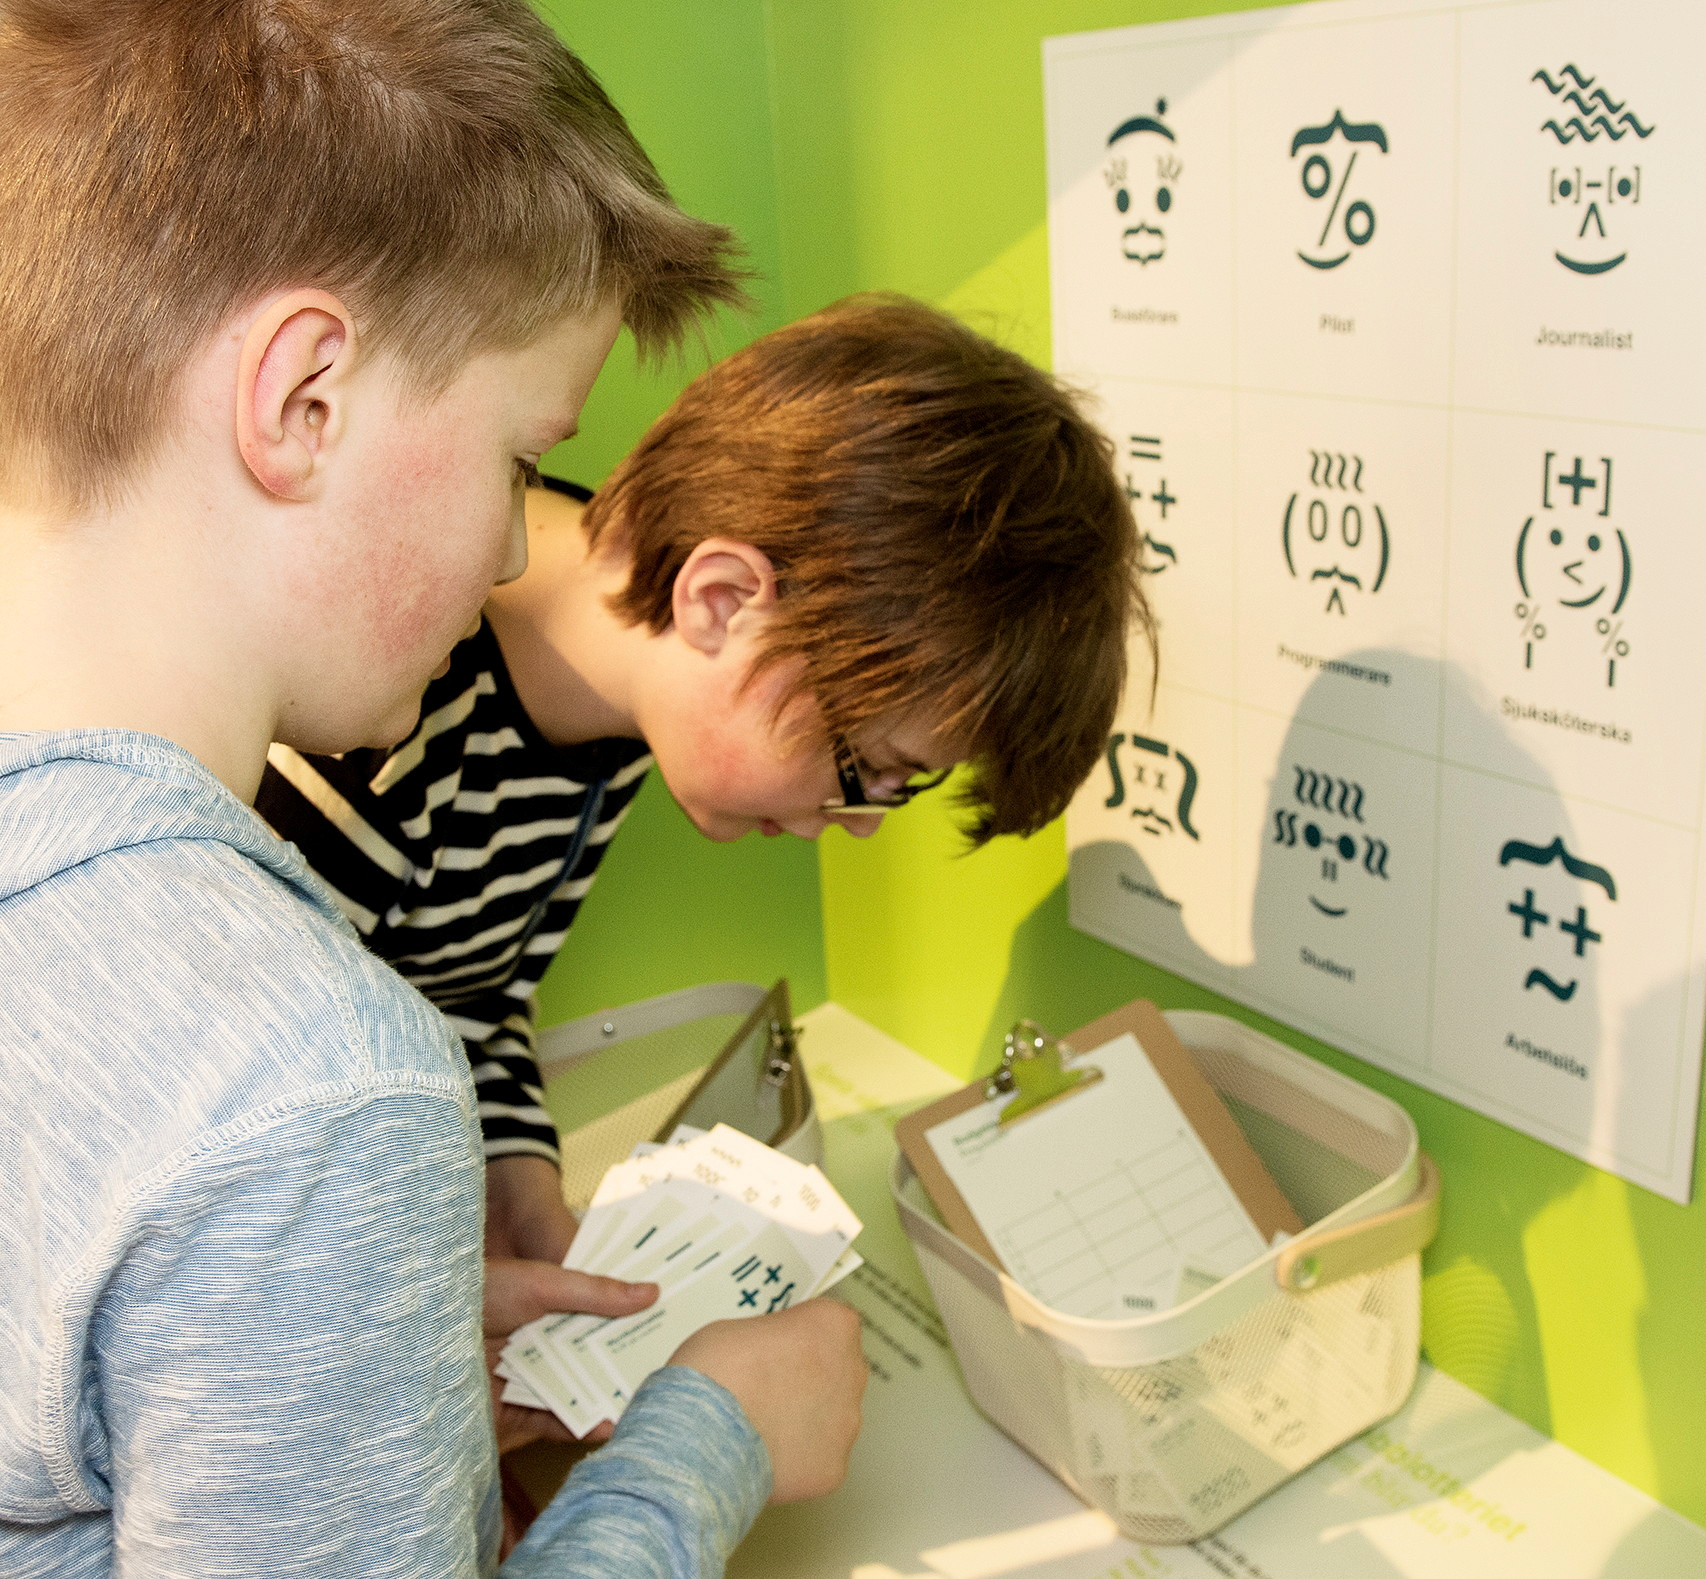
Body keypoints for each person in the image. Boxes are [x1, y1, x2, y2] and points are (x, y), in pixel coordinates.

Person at [0, 2, 866, 1574]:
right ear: (303, 398)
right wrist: (707, 1443)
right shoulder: (307, 1086)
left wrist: (345, 1335)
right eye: (523, 454)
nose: (511, 543)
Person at [258, 291, 1153, 1451]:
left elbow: (467, 990)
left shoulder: (630, 702)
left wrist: (519, 1172)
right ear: (722, 600)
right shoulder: (370, 719)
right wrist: (408, 1321)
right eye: (867, 771)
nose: (860, 823)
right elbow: (235, 1163)